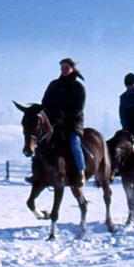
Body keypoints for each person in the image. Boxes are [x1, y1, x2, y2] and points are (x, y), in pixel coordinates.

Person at [41, 57, 87, 185]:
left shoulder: (78, 87)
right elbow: (45, 102)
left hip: (72, 123)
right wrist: (49, 114)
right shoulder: (54, 85)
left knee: (74, 143)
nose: (64, 70)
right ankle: (39, 172)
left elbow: (79, 108)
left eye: (66, 68)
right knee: (43, 141)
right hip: (55, 122)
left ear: (72, 69)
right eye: (62, 68)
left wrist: (64, 116)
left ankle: (80, 171)